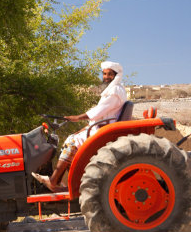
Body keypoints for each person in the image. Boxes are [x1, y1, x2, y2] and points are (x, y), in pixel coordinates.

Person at [32, 61, 127, 192]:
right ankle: (60, 181)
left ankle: (54, 181)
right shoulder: (112, 90)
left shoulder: (115, 91)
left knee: (71, 141)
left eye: (110, 74)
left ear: (116, 75)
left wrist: (76, 118)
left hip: (104, 129)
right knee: (73, 137)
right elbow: (101, 113)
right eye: (104, 74)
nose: (106, 77)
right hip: (101, 126)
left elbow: (99, 111)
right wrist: (84, 128)